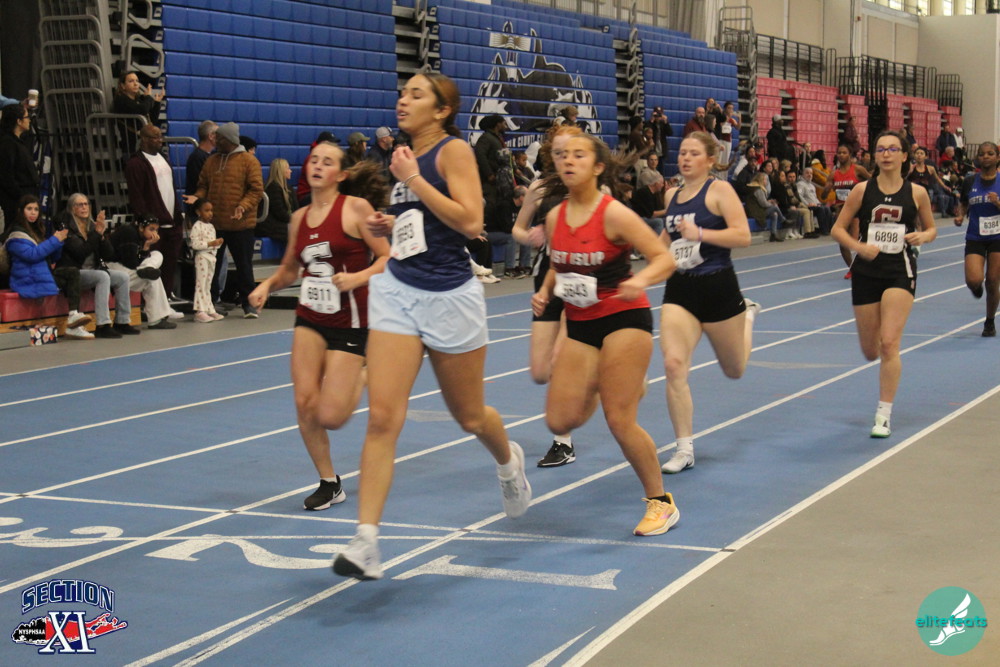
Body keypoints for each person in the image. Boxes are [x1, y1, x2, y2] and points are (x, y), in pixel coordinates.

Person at [332, 73, 530, 581]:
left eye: (416, 94)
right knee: (382, 418)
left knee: (470, 416)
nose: (404, 100)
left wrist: (414, 181)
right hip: (399, 292)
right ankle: (366, 540)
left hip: (448, 298)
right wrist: (391, 222)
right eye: (403, 92)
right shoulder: (402, 157)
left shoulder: (452, 152)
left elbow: (471, 222)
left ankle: (508, 462)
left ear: (442, 110)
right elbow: (420, 223)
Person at [531, 133, 679, 535]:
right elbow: (559, 262)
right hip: (580, 323)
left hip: (623, 317)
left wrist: (641, 280)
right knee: (559, 419)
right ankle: (612, 378)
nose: (568, 161)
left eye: (579, 155)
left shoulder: (614, 214)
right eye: (562, 155)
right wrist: (545, 291)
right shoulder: (554, 216)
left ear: (598, 167)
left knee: (619, 420)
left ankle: (661, 503)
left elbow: (663, 258)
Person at [249, 141, 390, 511]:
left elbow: (388, 258)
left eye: (327, 162)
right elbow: (290, 270)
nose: (317, 166)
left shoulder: (355, 209)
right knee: (304, 401)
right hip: (311, 316)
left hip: (351, 320)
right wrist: (266, 286)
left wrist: (358, 277)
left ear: (340, 175)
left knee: (332, 416)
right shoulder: (299, 217)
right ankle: (329, 482)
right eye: (314, 160)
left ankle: (365, 371)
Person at [659, 132, 760, 474]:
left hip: (718, 286)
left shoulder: (720, 191)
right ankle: (684, 448)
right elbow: (665, 240)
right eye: (682, 153)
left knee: (735, 369)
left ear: (710, 160)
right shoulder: (671, 194)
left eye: (693, 153)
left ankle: (747, 316)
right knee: (674, 364)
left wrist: (701, 234)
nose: (685, 158)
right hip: (680, 289)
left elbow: (742, 236)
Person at [830, 131, 936, 438]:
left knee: (889, 342)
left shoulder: (917, 193)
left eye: (892, 149)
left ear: (904, 156)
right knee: (870, 351)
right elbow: (837, 229)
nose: (886, 154)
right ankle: (882, 362)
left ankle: (883, 414)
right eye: (880, 149)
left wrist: (922, 236)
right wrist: (858, 247)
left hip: (899, 271)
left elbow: (931, 229)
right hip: (866, 271)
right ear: (875, 156)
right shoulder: (862, 190)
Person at [512, 125, 583, 466]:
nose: (565, 158)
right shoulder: (539, 187)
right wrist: (532, 237)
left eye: (572, 151)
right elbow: (516, 228)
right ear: (549, 154)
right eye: (558, 152)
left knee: (560, 358)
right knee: (541, 371)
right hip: (547, 278)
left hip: (582, 279)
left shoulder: (591, 186)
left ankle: (563, 442)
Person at [190, 121, 264, 318]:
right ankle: (210, 303)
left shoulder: (249, 161)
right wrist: (197, 198)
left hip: (241, 224)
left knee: (244, 266)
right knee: (211, 266)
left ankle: (249, 304)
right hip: (215, 224)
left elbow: (256, 190)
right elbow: (203, 185)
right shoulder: (211, 161)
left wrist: (242, 206)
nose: (216, 141)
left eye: (219, 139)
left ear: (229, 140)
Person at [4, 195, 93, 339]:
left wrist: (59, 242)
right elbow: (33, 255)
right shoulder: (15, 235)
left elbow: (52, 258)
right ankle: (73, 321)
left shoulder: (37, 231)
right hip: (27, 279)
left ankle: (73, 316)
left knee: (72, 272)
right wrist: (54, 240)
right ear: (21, 211)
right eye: (29, 209)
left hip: (41, 274)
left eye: (36, 209)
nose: (33, 213)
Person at [58, 193, 139, 338]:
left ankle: (122, 322)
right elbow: (80, 252)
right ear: (72, 208)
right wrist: (96, 234)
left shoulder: (92, 227)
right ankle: (103, 324)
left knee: (122, 277)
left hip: (93, 271)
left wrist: (101, 236)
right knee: (102, 276)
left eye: (86, 204)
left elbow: (109, 254)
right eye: (80, 205)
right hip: (74, 273)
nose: (84, 207)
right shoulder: (68, 229)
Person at [124, 124, 185, 300]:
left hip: (172, 221)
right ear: (144, 139)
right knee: (151, 264)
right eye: (155, 137)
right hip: (153, 224)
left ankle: (167, 296)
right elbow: (136, 196)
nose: (160, 140)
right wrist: (146, 221)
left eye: (160, 136)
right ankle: (151, 302)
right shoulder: (135, 164)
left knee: (170, 262)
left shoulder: (164, 159)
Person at [953, 142, 1000, 337]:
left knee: (993, 281)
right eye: (982, 154)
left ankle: (989, 322)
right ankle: (976, 288)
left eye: (990, 153)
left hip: (998, 237)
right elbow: (964, 203)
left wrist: (998, 203)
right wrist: (960, 215)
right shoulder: (970, 181)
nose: (985, 157)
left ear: (997, 158)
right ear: (977, 158)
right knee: (973, 280)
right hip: (975, 236)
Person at [108, 216, 178, 329]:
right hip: (114, 267)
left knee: (157, 254)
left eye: (156, 230)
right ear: (141, 227)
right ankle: (156, 319)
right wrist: (145, 248)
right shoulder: (129, 232)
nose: (154, 233)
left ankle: (147, 268)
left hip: (132, 267)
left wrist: (147, 246)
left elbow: (137, 260)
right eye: (151, 229)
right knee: (153, 278)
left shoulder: (141, 236)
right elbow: (130, 263)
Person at [823, 144, 871, 275]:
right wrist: (826, 190)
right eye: (839, 153)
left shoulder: (858, 170)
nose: (841, 155)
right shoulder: (833, 174)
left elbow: (873, 183)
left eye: (844, 152)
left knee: (854, 240)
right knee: (842, 242)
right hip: (841, 210)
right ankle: (853, 269)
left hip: (857, 210)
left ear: (849, 155)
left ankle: (865, 262)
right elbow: (824, 196)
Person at [0, 104, 39, 227]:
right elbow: (6, 176)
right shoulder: (8, 144)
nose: (29, 120)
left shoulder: (18, 142)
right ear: (18, 121)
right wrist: (22, 197)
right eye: (27, 117)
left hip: (26, 199)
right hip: (17, 202)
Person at [186, 198, 225, 323]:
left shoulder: (211, 226)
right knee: (201, 284)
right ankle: (199, 311)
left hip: (211, 257)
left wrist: (217, 243)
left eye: (211, 210)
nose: (210, 213)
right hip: (202, 257)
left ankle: (209, 308)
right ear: (198, 212)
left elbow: (213, 244)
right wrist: (210, 244)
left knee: (208, 285)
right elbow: (195, 244)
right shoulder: (197, 226)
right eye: (206, 210)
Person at [258, 158, 298, 243]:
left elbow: (296, 209)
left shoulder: (289, 188)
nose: (290, 171)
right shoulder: (272, 188)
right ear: (281, 171)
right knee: (296, 231)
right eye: (288, 168)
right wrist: (295, 220)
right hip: (271, 225)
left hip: (283, 222)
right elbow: (280, 213)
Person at [908, 147, 955, 216]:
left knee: (923, 214)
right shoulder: (910, 167)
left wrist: (945, 187)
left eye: (921, 153)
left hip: (925, 193)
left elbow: (938, 179)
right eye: (917, 153)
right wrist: (909, 171)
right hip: (912, 193)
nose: (919, 155)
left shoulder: (930, 168)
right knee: (914, 214)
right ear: (914, 155)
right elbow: (903, 179)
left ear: (925, 156)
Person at [745, 172, 785, 242]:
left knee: (774, 214)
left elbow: (759, 202)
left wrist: (769, 201)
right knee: (775, 207)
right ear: (761, 180)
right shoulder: (758, 189)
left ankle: (773, 234)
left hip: (755, 209)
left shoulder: (755, 188)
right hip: (755, 212)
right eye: (765, 180)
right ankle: (783, 220)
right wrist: (771, 204)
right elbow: (763, 204)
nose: (766, 181)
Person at [185, 120, 217, 197]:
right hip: (199, 200)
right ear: (211, 136)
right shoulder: (196, 157)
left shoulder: (210, 155)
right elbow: (200, 184)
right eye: (218, 134)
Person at [797, 167, 833, 235]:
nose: (809, 175)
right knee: (821, 209)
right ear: (803, 174)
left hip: (815, 205)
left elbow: (815, 198)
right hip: (808, 205)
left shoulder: (812, 185)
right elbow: (799, 196)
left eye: (811, 173)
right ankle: (823, 230)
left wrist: (819, 203)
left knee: (827, 208)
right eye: (807, 173)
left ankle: (830, 229)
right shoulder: (800, 184)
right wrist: (807, 204)